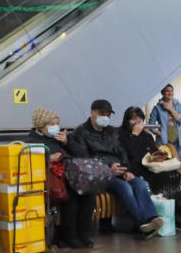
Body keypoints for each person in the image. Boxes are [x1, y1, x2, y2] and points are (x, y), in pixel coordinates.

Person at [70, 99, 163, 236]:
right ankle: (143, 224)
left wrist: (127, 170)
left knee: (140, 183)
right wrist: (108, 168)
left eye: (108, 114)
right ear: (92, 113)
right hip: (99, 174)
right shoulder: (81, 132)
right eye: (102, 113)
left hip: (120, 171)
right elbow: (85, 158)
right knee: (125, 188)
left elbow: (122, 152)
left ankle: (150, 219)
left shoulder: (112, 131)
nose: (105, 117)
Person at [26, 107, 94, 249]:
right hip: (51, 181)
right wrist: (48, 158)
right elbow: (30, 162)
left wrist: (66, 142)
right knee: (71, 195)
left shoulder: (60, 137)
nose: (55, 127)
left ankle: (83, 234)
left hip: (70, 176)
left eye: (56, 123)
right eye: (51, 124)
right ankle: (70, 236)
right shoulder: (32, 140)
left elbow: (83, 154)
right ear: (41, 126)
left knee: (88, 194)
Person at [118, 106, 181, 199]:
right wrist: (134, 135)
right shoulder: (121, 136)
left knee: (174, 174)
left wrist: (161, 155)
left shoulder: (147, 136)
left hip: (150, 168)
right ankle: (159, 203)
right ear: (127, 121)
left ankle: (172, 205)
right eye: (134, 119)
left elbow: (153, 153)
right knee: (162, 177)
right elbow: (131, 155)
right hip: (135, 169)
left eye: (140, 119)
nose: (138, 122)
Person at [148, 83, 181, 176]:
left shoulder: (178, 105)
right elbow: (151, 124)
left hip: (177, 141)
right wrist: (158, 133)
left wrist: (171, 109)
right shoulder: (157, 108)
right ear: (162, 93)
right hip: (164, 142)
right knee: (167, 166)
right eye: (167, 91)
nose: (170, 93)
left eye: (171, 91)